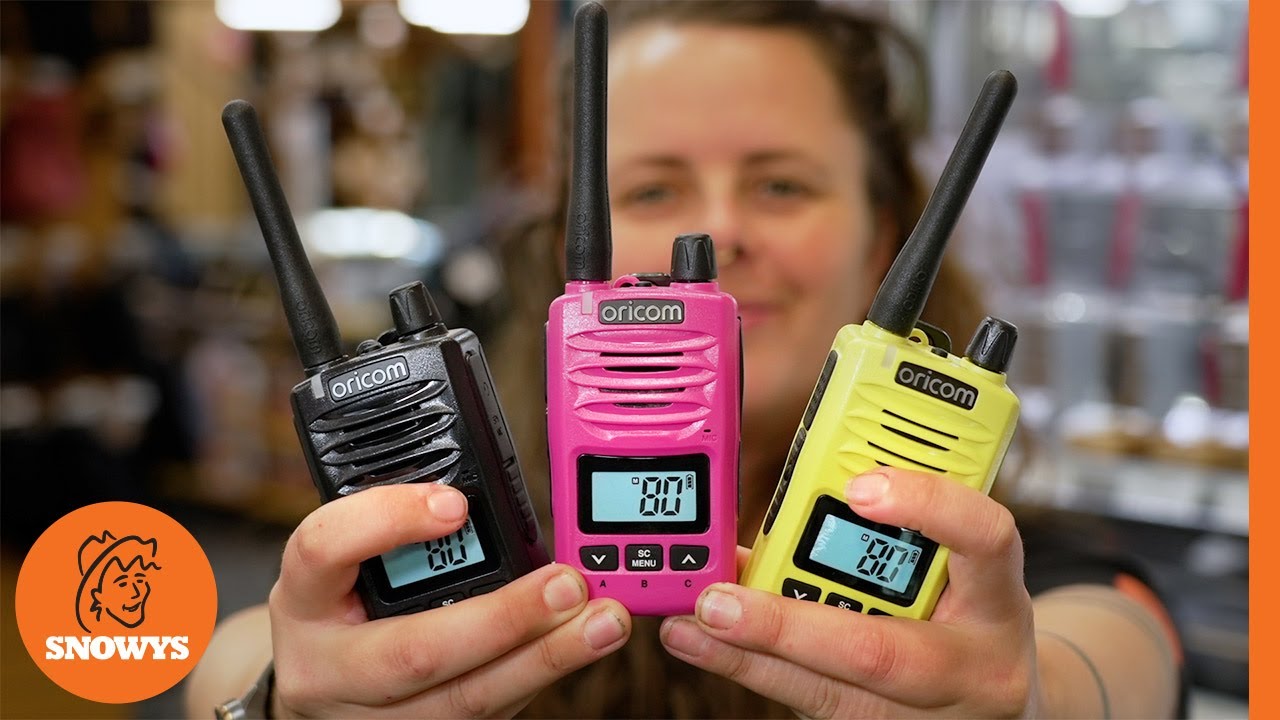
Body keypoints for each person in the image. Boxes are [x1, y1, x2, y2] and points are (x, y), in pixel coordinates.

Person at [187, 2, 1186, 718]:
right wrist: (278, 697)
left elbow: (1118, 643)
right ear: (569, 246)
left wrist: (1036, 697)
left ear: (885, 234)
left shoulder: (993, 563)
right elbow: (234, 653)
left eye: (782, 185)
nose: (723, 233)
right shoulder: (460, 503)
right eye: (653, 190)